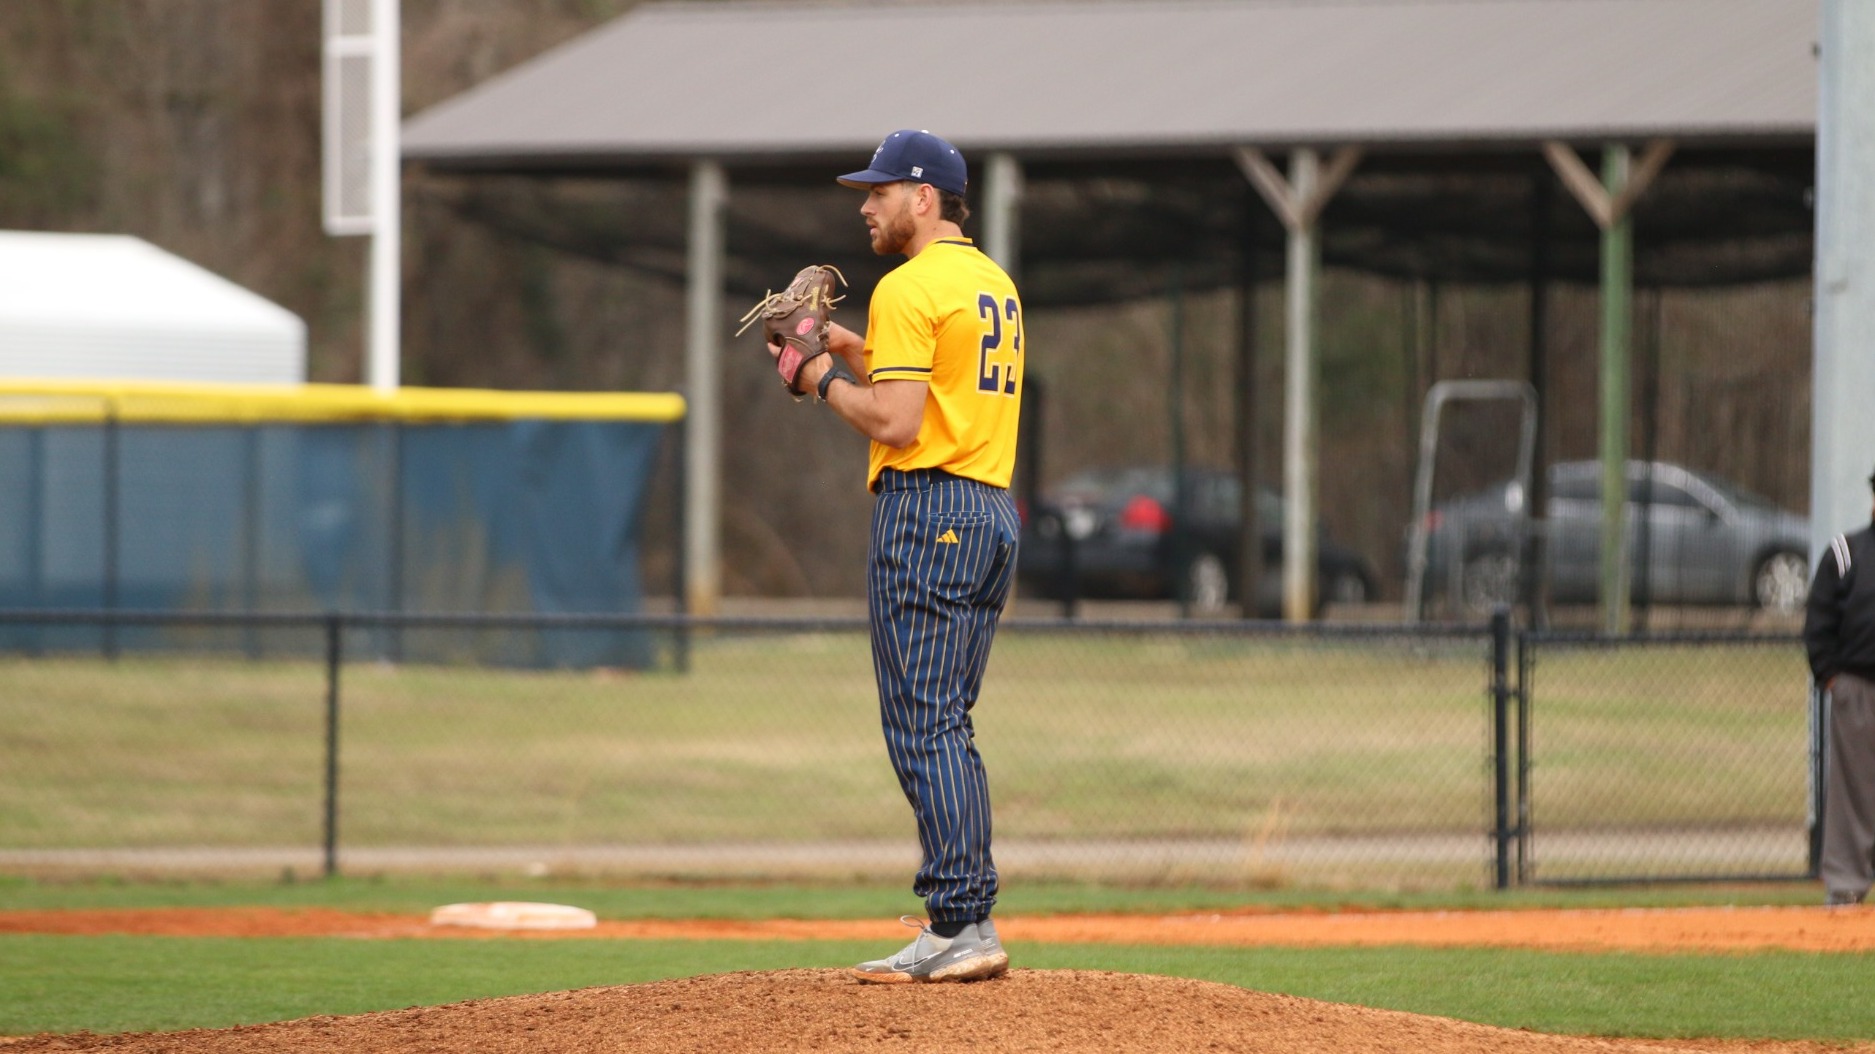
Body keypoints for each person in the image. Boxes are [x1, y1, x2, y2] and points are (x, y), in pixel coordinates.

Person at [771, 129, 1023, 982]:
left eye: (880, 191)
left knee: (922, 724)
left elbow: (899, 422)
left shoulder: (909, 285)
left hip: (929, 508)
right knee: (946, 720)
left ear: (924, 197)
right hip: (989, 509)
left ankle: (960, 924)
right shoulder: (991, 281)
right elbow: (934, 382)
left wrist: (815, 379)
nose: (865, 204)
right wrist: (842, 346)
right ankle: (963, 918)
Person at [1804, 464, 1875, 906]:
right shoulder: (1847, 552)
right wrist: (1830, 675)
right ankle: (1847, 884)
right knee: (1853, 791)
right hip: (1857, 687)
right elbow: (1819, 621)